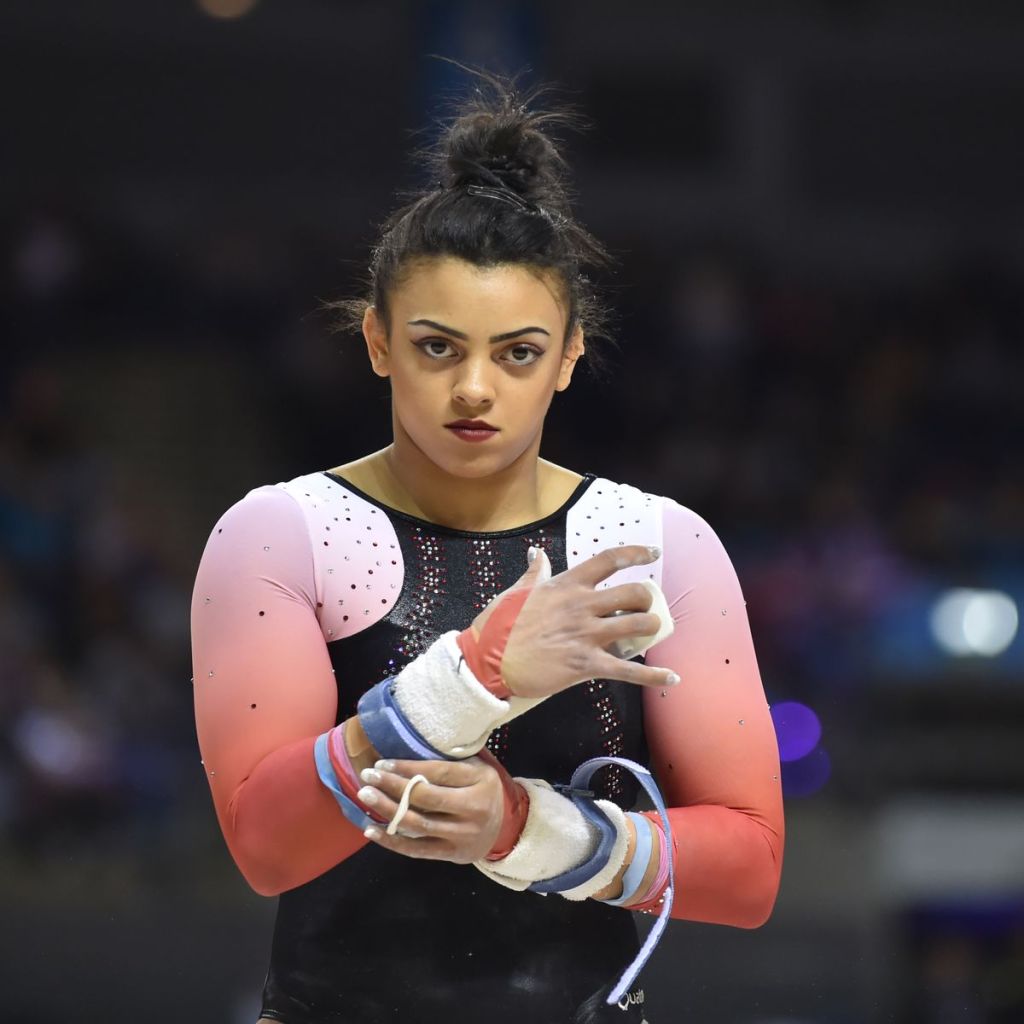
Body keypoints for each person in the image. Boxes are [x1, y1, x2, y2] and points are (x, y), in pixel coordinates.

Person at [190, 69, 784, 1024]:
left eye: (517, 352)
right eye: (438, 347)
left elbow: (751, 873)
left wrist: (524, 829)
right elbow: (266, 848)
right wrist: (476, 675)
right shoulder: (283, 533)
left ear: (569, 355)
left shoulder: (655, 545)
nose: (474, 388)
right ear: (377, 341)